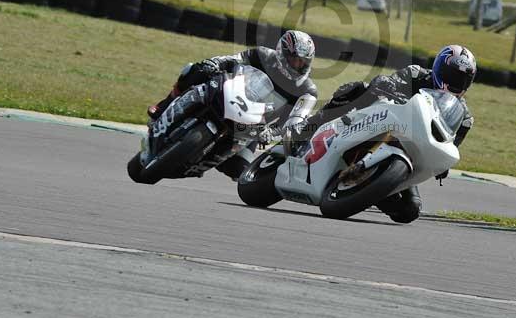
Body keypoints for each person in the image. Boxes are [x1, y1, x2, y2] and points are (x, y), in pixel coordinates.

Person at [283, 44, 476, 223]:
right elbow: (388, 82)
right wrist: (386, 86)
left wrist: (442, 164)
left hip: (409, 152)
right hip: (382, 121)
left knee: (410, 210)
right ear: (439, 69)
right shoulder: (416, 74)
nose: (455, 82)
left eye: (462, 79)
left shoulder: (463, 117)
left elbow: (450, 142)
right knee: (357, 89)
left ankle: (367, 189)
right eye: (451, 75)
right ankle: (306, 128)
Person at [147, 30, 319, 180]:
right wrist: (215, 63)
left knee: (241, 171)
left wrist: (270, 133)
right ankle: (163, 107)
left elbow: (295, 122)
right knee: (194, 70)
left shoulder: (307, 90)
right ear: (282, 53)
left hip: (252, 127)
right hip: (231, 96)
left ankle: (199, 161)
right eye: (294, 59)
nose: (298, 65)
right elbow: (234, 59)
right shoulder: (263, 55)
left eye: (303, 62)